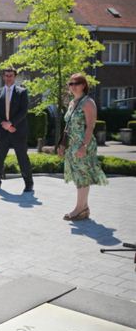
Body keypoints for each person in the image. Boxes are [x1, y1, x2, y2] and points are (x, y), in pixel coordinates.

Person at [59, 73, 107, 220]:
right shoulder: (73, 102)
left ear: (83, 85)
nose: (73, 86)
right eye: (70, 84)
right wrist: (62, 144)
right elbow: (68, 126)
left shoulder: (88, 102)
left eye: (76, 83)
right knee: (78, 175)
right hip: (72, 144)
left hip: (82, 144)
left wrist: (84, 146)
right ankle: (84, 208)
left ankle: (79, 209)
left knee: (82, 176)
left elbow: (90, 127)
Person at [0, 68, 33, 192]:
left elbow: (23, 112)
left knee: (22, 158)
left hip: (18, 131)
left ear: (15, 77)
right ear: (3, 77)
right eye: (6, 75)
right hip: (2, 131)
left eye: (11, 76)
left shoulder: (22, 92)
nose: (8, 78)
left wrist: (11, 124)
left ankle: (29, 184)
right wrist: (4, 124)